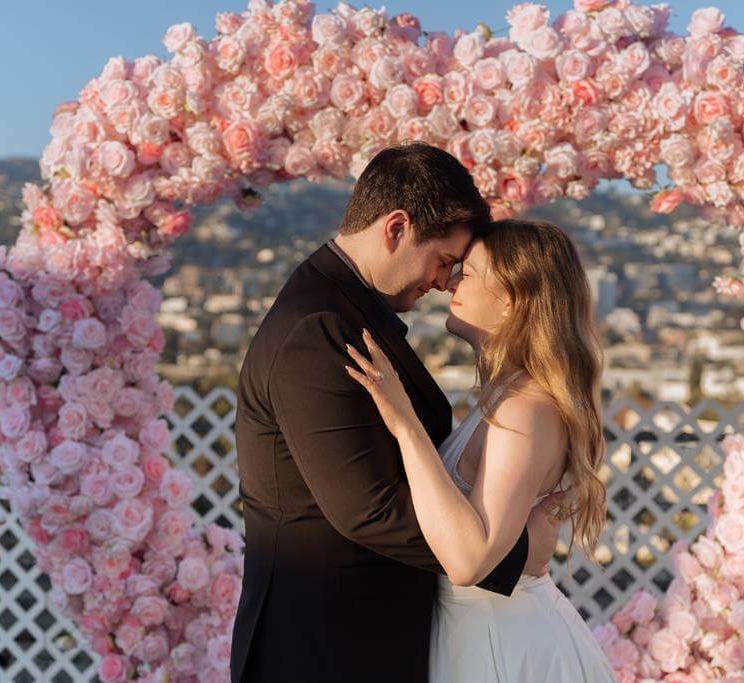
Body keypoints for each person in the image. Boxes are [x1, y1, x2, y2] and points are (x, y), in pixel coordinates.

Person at [230, 143, 563, 683]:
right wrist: (510, 555)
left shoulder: (344, 310)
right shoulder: (318, 329)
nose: (443, 281)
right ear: (396, 228)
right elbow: (367, 508)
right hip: (327, 647)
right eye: (444, 261)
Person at [345, 218, 617, 682]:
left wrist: (405, 424)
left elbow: (470, 560)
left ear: (512, 302)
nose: (451, 283)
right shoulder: (506, 397)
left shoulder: (525, 409)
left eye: (468, 273)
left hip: (500, 646)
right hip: (477, 635)